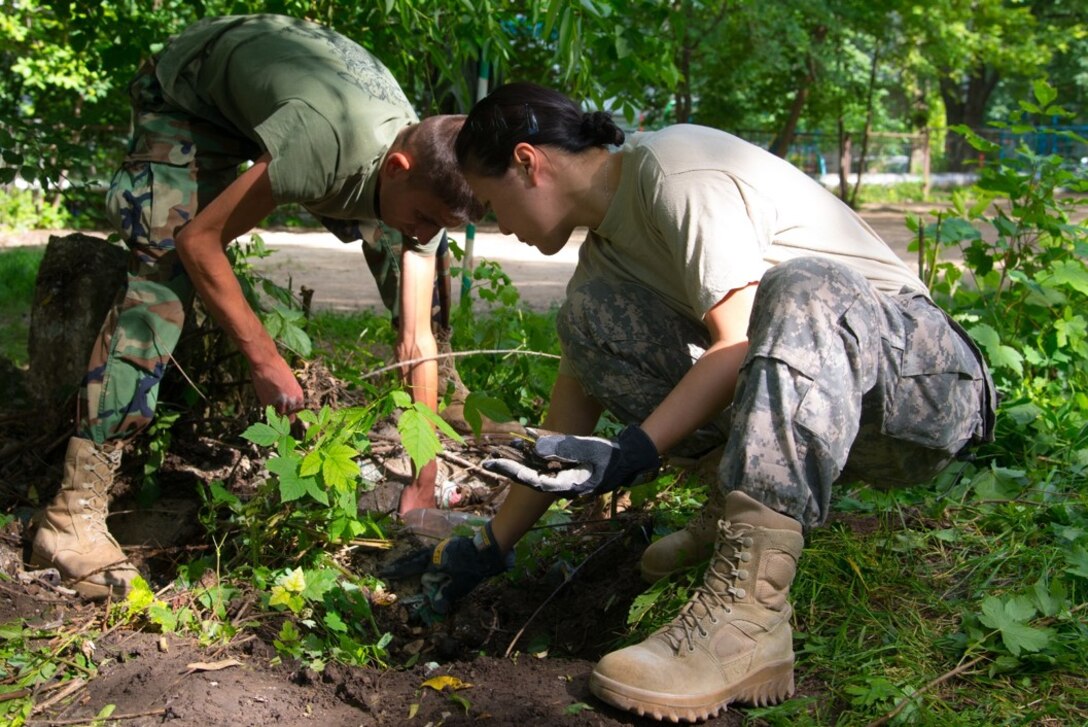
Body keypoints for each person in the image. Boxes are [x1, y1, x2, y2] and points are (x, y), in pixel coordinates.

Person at [387, 82, 996, 722]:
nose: (501, 227)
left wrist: (637, 448)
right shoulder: (604, 261)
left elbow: (737, 344)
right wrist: (487, 547)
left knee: (799, 283)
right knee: (587, 322)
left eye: (490, 203)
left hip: (924, 387)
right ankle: (737, 510)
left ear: (528, 162)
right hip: (834, 405)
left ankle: (749, 621)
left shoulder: (674, 170)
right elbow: (566, 429)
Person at [28, 13, 487, 600]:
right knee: (165, 276)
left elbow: (415, 336)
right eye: (425, 216)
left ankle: (448, 398)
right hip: (190, 97)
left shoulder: (427, 173)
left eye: (439, 224)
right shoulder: (327, 143)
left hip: (287, 107)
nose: (426, 231)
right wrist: (263, 355)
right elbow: (200, 241)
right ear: (397, 167)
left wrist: (422, 479)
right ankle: (72, 514)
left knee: (404, 246)